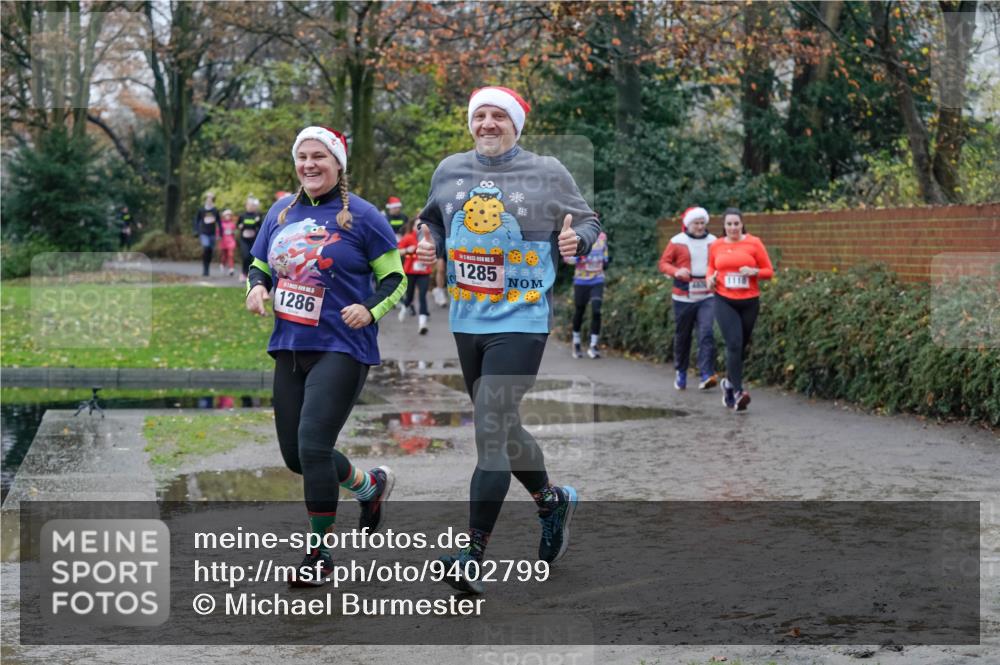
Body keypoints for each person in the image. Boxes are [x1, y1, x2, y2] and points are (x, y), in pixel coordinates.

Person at [416, 85, 600, 593]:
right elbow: (431, 221)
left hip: (522, 319)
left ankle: (472, 554)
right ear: (470, 123)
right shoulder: (449, 170)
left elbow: (587, 220)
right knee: (503, 424)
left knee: (490, 429)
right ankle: (551, 502)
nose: (488, 124)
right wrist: (429, 243)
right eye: (480, 116)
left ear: (516, 125)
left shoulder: (547, 171)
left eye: (499, 116)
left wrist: (577, 240)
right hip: (467, 320)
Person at [245, 126, 405, 583]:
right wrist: (256, 287)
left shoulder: (364, 216)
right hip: (289, 346)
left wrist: (369, 309)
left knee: (314, 446)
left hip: (342, 346)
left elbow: (395, 278)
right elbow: (259, 263)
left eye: (319, 156)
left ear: (338, 164)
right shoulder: (281, 211)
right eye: (302, 156)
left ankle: (319, 556)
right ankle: (368, 486)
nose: (309, 164)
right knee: (297, 457)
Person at [706, 207, 773, 412]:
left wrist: (754, 271)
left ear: (742, 224)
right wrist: (709, 280)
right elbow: (711, 267)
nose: (733, 227)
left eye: (736, 223)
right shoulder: (716, 245)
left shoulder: (754, 243)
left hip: (749, 301)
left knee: (741, 347)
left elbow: (768, 271)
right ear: (724, 226)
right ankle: (738, 392)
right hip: (724, 300)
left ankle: (728, 383)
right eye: (729, 224)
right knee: (734, 344)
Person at [658, 207, 718, 390]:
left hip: (707, 295)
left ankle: (706, 374)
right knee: (683, 336)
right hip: (683, 296)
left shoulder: (714, 241)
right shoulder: (677, 241)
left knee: (707, 333)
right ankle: (681, 371)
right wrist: (676, 271)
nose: (699, 227)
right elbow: (663, 263)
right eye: (696, 223)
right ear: (687, 224)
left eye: (702, 223)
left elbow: (720, 262)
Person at [564, 230, 608, 359]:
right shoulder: (577, 236)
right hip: (581, 281)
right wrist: (578, 257)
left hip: (597, 279)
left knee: (596, 310)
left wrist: (605, 260)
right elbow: (567, 258)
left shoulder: (602, 236)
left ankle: (593, 345)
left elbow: (605, 253)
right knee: (580, 311)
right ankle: (576, 342)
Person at [397, 218, 433, 334]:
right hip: (410, 272)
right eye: (417, 226)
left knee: (422, 296)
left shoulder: (428, 238)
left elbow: (435, 251)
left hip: (424, 272)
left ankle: (422, 324)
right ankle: (405, 307)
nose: (420, 228)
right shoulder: (408, 237)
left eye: (422, 226)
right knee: (410, 296)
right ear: (413, 227)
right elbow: (397, 251)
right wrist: (407, 250)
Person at [193, 192, 220, 277]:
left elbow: (219, 222)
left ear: (213, 200)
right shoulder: (201, 210)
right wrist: (196, 230)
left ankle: (207, 266)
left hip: (212, 233)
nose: (209, 200)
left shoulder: (215, 210)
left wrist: (220, 233)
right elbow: (196, 221)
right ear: (205, 199)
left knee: (210, 251)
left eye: (211, 198)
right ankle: (205, 269)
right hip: (203, 233)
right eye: (208, 198)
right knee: (206, 247)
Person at [238, 196, 263, 280]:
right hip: (244, 239)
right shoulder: (242, 215)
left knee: (252, 257)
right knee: (246, 256)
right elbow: (238, 225)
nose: (250, 207)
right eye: (249, 205)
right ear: (246, 206)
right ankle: (243, 273)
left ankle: (250, 273)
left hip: (254, 240)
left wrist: (257, 222)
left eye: (252, 205)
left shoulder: (257, 215)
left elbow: (260, 227)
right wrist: (240, 226)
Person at [218, 209, 237, 276]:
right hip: (223, 241)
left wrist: (234, 232)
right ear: (224, 216)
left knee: (231, 255)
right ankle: (222, 265)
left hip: (231, 241)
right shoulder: (221, 224)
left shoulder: (232, 224)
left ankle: (231, 269)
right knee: (224, 256)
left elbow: (235, 232)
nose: (228, 216)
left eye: (229, 215)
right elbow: (218, 232)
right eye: (227, 215)